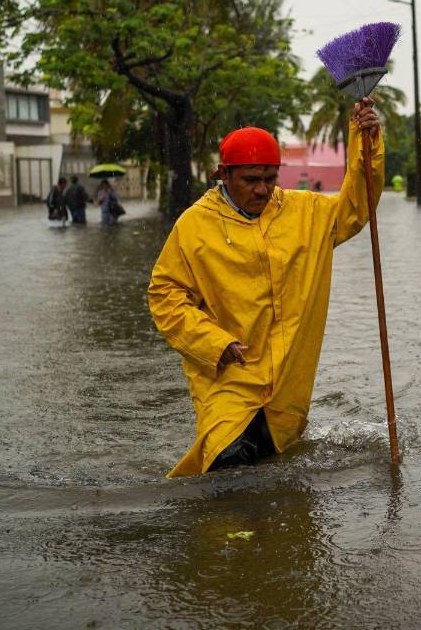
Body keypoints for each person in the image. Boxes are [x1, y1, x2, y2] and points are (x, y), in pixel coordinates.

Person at [147, 98, 383, 477]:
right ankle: (233, 537)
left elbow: (357, 207)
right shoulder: (195, 225)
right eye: (250, 180)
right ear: (223, 175)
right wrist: (213, 343)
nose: (262, 190)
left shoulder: (306, 212)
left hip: (289, 379)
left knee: (269, 467)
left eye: (270, 179)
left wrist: (365, 140)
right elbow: (165, 294)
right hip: (229, 374)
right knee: (224, 462)